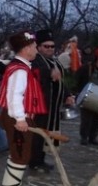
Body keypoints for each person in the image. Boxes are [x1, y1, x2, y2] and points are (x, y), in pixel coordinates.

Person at [0, 31, 47, 186]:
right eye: (33, 47)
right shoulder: (20, 70)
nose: (36, 50)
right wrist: (20, 119)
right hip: (18, 119)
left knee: (19, 154)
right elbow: (15, 96)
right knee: (20, 155)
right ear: (25, 49)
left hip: (18, 117)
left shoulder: (22, 67)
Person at [29, 30, 75, 172]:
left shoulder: (53, 62)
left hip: (52, 105)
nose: (49, 49)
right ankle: (34, 162)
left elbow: (59, 81)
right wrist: (48, 73)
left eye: (52, 46)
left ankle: (40, 159)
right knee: (38, 134)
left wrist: (67, 94)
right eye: (46, 46)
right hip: (38, 104)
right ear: (38, 47)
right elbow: (32, 73)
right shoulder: (33, 59)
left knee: (46, 133)